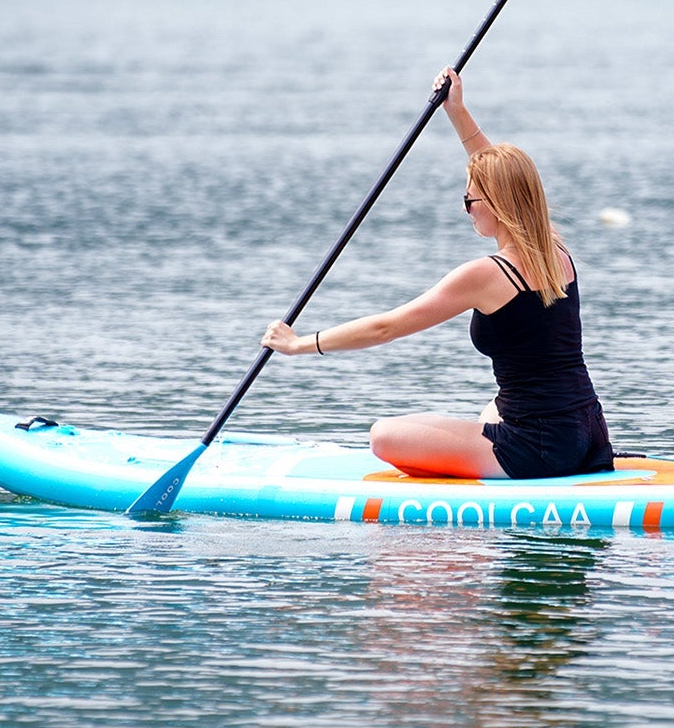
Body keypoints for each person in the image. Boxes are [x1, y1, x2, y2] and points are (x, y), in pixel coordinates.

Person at [262, 69, 614, 480]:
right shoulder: (555, 250)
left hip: (540, 448)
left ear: (496, 204)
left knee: (384, 436)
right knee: (491, 408)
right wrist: (457, 112)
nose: (465, 207)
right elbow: (504, 178)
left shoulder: (486, 275)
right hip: (587, 431)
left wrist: (300, 344)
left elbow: (385, 328)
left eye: (469, 199)